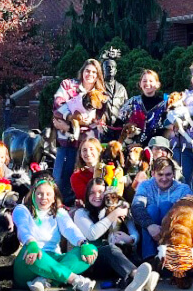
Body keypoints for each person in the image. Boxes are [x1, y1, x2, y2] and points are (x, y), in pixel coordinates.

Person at [11, 176, 99, 291]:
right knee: (33, 253)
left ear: (54, 198)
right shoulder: (22, 209)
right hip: (30, 260)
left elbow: (70, 229)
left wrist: (83, 243)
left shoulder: (59, 212)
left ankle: (44, 280)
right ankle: (75, 280)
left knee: (92, 250)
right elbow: (23, 228)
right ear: (33, 195)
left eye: (48, 194)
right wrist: (31, 242)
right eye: (40, 194)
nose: (44, 198)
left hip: (54, 259)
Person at [73, 179, 158, 291]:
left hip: (117, 259)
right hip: (93, 260)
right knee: (110, 249)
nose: (97, 196)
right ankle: (136, 275)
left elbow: (133, 231)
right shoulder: (81, 213)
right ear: (87, 194)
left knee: (129, 252)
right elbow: (92, 234)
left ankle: (132, 284)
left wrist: (130, 239)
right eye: (92, 193)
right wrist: (114, 214)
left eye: (100, 192)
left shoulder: (119, 210)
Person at [51, 59, 105, 204]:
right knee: (60, 178)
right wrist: (70, 117)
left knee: (85, 181)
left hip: (88, 145)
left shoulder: (100, 95)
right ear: (82, 71)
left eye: (94, 72)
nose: (90, 74)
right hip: (67, 142)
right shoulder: (68, 85)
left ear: (98, 75)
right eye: (87, 70)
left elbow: (99, 123)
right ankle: (59, 208)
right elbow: (57, 105)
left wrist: (68, 127)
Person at [132, 157, 192, 259]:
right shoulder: (145, 186)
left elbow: (188, 214)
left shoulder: (183, 189)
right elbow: (136, 207)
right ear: (153, 173)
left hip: (172, 232)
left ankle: (168, 255)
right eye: (160, 174)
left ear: (174, 174)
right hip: (149, 229)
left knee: (166, 206)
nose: (164, 179)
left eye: (168, 174)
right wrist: (150, 225)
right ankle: (149, 257)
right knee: (152, 209)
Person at [116, 69, 168, 146]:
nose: (147, 83)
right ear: (140, 84)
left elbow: (163, 129)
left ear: (157, 84)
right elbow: (118, 122)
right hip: (131, 148)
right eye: (144, 81)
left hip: (154, 148)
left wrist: (142, 144)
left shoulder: (164, 105)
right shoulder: (133, 102)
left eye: (151, 81)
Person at [69, 138, 104, 205]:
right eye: (84, 150)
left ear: (98, 151)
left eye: (91, 149)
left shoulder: (109, 169)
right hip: (90, 207)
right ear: (81, 154)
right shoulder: (76, 176)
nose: (88, 153)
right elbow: (85, 197)